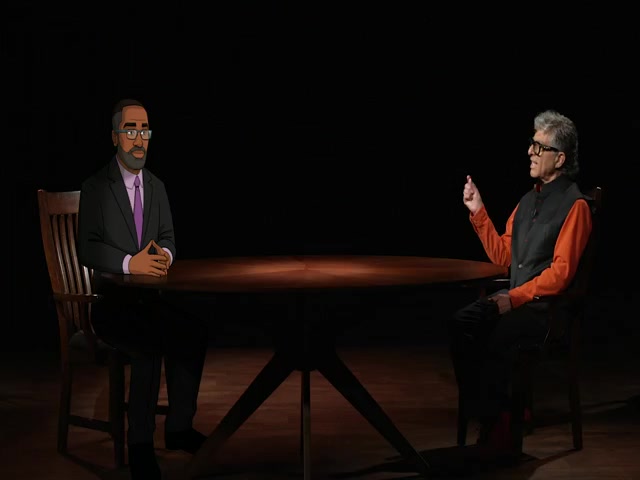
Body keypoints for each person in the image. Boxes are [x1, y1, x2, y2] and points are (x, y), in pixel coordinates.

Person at [450, 109, 593, 457]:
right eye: (531, 143)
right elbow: (503, 257)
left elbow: (560, 275)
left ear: (560, 158)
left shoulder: (575, 206)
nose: (530, 151)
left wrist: (514, 298)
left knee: (496, 334)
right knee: (461, 324)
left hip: (545, 311)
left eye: (539, 146)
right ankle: (494, 412)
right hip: (516, 299)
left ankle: (501, 431)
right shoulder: (528, 200)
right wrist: (478, 211)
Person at [78, 98, 208, 479]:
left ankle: (179, 428)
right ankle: (140, 445)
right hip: (110, 306)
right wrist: (128, 262)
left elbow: (168, 238)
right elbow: (87, 247)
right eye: (130, 130)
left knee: (193, 331)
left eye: (144, 130)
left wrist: (163, 255)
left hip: (151, 302)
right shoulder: (96, 187)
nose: (139, 139)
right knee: (147, 344)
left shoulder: (157, 187)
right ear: (114, 136)